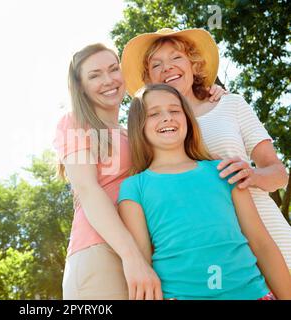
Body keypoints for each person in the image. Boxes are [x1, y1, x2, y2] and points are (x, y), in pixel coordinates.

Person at [53, 43, 225, 299]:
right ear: (80, 86)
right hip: (101, 251)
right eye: (95, 75)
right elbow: (88, 190)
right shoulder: (76, 122)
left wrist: (202, 95)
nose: (108, 80)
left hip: (145, 253)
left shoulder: (132, 133)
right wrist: (131, 256)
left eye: (113, 69)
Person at [121, 28, 291, 271]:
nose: (167, 67)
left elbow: (278, 173)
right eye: (156, 64)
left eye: (176, 57)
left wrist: (252, 176)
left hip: (270, 233)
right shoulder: (151, 130)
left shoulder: (230, 104)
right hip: (212, 252)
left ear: (194, 65)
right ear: (148, 79)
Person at [118, 83, 291, 299]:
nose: (167, 117)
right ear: (138, 125)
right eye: (154, 113)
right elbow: (142, 264)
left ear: (188, 120)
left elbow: (261, 243)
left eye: (174, 110)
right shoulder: (134, 187)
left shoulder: (224, 170)